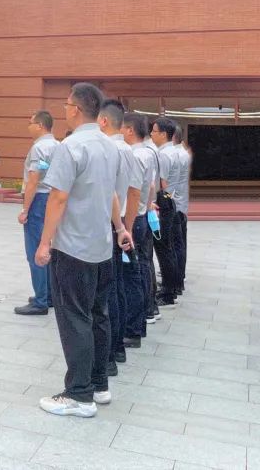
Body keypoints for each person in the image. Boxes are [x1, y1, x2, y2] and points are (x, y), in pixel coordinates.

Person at [36, 83, 132, 417]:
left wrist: (45, 242)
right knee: (98, 315)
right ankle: (99, 384)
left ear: (75, 109)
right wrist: (119, 228)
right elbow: (112, 194)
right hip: (101, 247)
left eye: (66, 105)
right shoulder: (110, 146)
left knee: (74, 317)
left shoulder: (71, 147)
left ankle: (79, 394)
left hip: (73, 247)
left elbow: (58, 197)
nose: (65, 109)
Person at [97, 99, 141, 375]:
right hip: (121, 221)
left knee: (107, 290)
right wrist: (128, 226)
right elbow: (135, 191)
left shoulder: (106, 149)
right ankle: (118, 346)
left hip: (108, 223)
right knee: (118, 286)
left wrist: (119, 228)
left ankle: (110, 352)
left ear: (103, 121)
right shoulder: (127, 150)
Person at [15, 110, 60, 315]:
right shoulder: (58, 145)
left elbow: (34, 180)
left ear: (40, 125)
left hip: (39, 199)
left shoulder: (39, 148)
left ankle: (40, 300)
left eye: (30, 122)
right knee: (47, 247)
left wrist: (25, 209)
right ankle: (48, 295)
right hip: (52, 198)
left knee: (35, 250)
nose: (28, 126)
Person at [122, 111, 158, 352]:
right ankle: (144, 313)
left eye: (122, 129)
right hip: (143, 215)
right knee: (142, 267)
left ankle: (134, 327)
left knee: (132, 274)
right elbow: (151, 185)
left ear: (130, 130)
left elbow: (133, 192)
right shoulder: (148, 153)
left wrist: (126, 226)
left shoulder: (135, 155)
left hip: (134, 219)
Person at [150, 117, 183, 308]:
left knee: (163, 248)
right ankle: (172, 286)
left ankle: (168, 292)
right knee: (168, 247)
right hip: (170, 199)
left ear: (163, 134)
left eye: (154, 131)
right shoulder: (174, 151)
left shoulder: (162, 155)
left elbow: (162, 182)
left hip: (163, 200)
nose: (151, 134)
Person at [171, 123, 192, 294]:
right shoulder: (183, 153)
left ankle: (175, 280)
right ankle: (179, 276)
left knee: (174, 245)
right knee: (180, 243)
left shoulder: (173, 154)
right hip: (181, 203)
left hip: (174, 204)